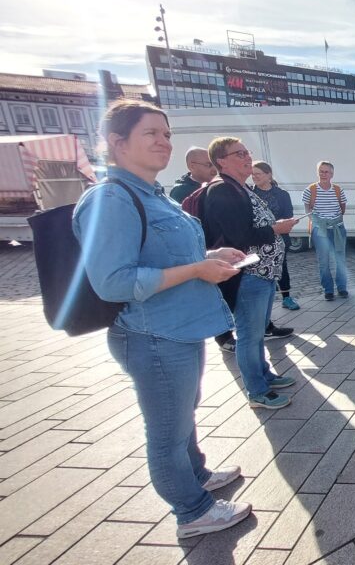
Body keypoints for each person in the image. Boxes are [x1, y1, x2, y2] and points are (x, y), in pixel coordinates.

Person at [73, 99, 251, 538]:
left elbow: (161, 254)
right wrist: (196, 270)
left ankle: (198, 477)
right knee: (168, 431)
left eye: (167, 133)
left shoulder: (151, 194)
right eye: (150, 133)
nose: (163, 141)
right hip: (151, 335)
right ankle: (192, 511)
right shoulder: (111, 198)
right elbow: (113, 281)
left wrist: (207, 256)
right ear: (117, 142)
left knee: (183, 415)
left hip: (178, 328)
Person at [203, 137, 299, 410]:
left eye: (248, 152)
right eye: (239, 154)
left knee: (258, 333)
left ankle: (264, 374)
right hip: (248, 275)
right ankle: (257, 391)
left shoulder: (239, 188)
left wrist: (274, 227)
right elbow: (239, 236)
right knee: (249, 334)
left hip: (263, 273)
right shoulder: (222, 190)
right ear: (221, 160)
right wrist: (275, 230)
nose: (247, 158)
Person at [252, 161, 300, 310]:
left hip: (279, 237)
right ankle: (262, 301)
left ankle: (286, 297)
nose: (254, 177)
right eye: (252, 174)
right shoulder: (250, 194)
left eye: (258, 174)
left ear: (269, 175)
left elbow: (288, 214)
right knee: (258, 269)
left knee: (281, 266)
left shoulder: (282, 194)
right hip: (259, 239)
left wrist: (283, 223)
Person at [302, 161, 349, 301]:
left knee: (340, 259)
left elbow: (342, 209)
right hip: (320, 230)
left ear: (332, 174)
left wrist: (333, 221)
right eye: (321, 171)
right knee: (324, 261)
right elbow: (308, 211)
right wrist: (320, 222)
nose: (323, 174)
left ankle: (342, 287)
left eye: (326, 171)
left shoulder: (338, 190)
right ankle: (328, 290)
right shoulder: (310, 190)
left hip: (337, 228)